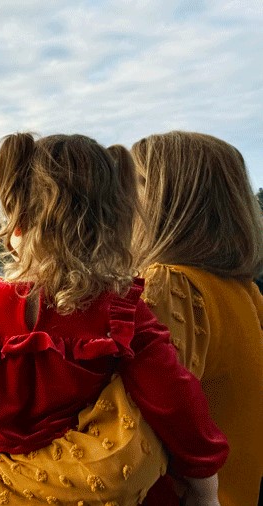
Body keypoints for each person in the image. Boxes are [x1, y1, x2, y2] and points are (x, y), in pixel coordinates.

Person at [0, 132, 228, 505]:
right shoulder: (118, 310)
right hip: (81, 488)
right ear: (117, 224)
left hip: (2, 487)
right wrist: (205, 483)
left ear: (18, 220)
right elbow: (174, 398)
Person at [131, 131, 263, 506]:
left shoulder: (170, 283)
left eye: (135, 181)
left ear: (170, 201)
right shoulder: (242, 289)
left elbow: (141, 426)